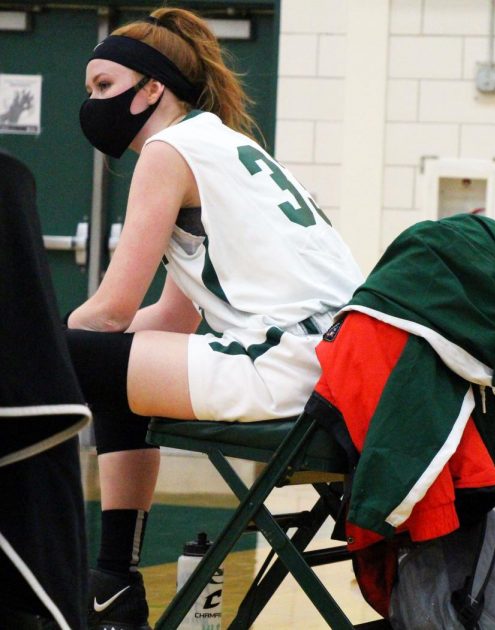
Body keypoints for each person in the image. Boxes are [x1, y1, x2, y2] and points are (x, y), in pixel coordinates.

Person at [65, 8, 363, 629]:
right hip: (336, 364)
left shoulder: (168, 151)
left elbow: (111, 308)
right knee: (115, 370)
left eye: (103, 86)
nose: (90, 102)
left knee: (49, 359)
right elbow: (169, 319)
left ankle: (81, 571)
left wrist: (43, 343)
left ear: (153, 88)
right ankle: (112, 584)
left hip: (290, 366)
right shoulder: (222, 143)